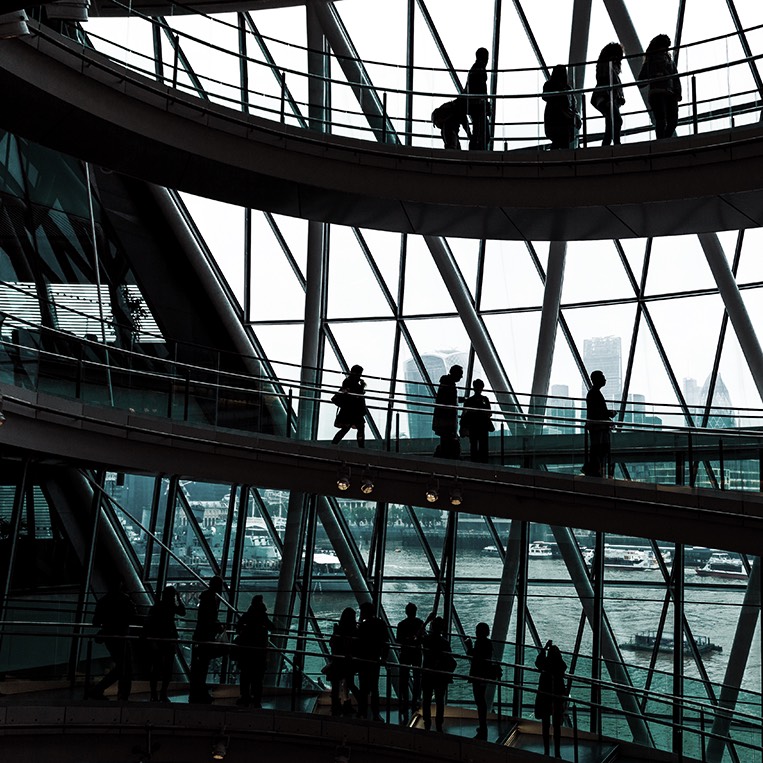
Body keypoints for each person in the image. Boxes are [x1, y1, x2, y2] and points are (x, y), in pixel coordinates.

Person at [89, 580, 137, 700]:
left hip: (110, 637)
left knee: (121, 666)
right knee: (126, 667)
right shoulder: (125, 599)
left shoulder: (103, 601)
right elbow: (133, 617)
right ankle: (122, 694)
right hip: (122, 637)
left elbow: (95, 621)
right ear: (120, 586)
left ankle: (99, 689)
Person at [144, 584, 185, 702]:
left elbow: (148, 623)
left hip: (158, 640)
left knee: (156, 668)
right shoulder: (171, 606)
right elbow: (182, 612)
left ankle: (153, 694)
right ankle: (163, 693)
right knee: (168, 669)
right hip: (169, 640)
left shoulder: (157, 606)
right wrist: (179, 599)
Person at [189, 575, 225, 703]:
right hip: (205, 638)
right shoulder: (211, 599)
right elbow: (208, 620)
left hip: (201, 637)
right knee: (202, 667)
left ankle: (196, 692)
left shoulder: (206, 598)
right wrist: (217, 626)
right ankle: (199, 693)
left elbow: (204, 619)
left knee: (200, 667)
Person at [638, 34, 682, 139]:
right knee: (668, 120)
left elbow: (641, 81)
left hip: (659, 93)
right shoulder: (668, 61)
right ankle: (663, 141)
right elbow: (675, 77)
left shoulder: (651, 61)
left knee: (664, 120)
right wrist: (678, 92)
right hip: (664, 93)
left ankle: (661, 141)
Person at [234, 594, 273, 707]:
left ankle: (245, 696)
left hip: (246, 651)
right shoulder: (262, 616)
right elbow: (272, 627)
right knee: (258, 678)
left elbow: (238, 627)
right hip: (259, 651)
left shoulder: (247, 614)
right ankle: (257, 699)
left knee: (245, 676)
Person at [420, 614, 454, 732]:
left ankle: (427, 721)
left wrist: (426, 621)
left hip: (428, 673)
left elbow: (418, 636)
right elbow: (450, 659)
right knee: (440, 700)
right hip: (440, 675)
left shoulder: (427, 640)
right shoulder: (444, 642)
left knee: (426, 699)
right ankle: (439, 722)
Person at [355, 601, 389, 721]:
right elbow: (386, 642)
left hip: (363, 659)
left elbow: (358, 643)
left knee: (364, 687)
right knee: (374, 688)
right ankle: (375, 713)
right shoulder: (381, 624)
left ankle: (362, 711)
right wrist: (383, 658)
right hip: (375, 660)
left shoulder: (363, 626)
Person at [534, 641, 569, 757]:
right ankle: (557, 752)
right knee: (557, 726)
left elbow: (538, 662)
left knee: (545, 724)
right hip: (556, 698)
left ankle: (546, 750)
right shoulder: (560, 667)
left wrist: (545, 647)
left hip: (545, 697)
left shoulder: (545, 666)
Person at [466, 621, 499, 741]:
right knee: (481, 700)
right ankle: (482, 726)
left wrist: (469, 647)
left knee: (479, 700)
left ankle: (483, 726)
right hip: (484, 674)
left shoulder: (480, 643)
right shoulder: (487, 643)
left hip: (478, 674)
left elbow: (475, 656)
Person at [582, 370, 615, 477]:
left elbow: (596, 411)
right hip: (598, 427)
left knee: (597, 449)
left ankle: (594, 469)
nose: (605, 379)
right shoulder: (594, 393)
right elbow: (598, 412)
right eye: (602, 377)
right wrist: (609, 414)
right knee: (598, 449)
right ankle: (594, 469)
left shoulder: (593, 393)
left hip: (596, 427)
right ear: (596, 379)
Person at [327, 607, 360, 716]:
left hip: (337, 660)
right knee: (348, 683)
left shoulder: (338, 629)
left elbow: (332, 643)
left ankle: (336, 706)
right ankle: (350, 703)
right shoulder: (354, 631)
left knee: (336, 685)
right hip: (348, 661)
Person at [592, 42, 625, 146]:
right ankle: (615, 144)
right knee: (616, 120)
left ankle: (608, 145)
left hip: (605, 98)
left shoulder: (605, 65)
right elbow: (606, 82)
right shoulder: (607, 66)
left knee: (611, 123)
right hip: (606, 97)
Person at [396, 602, 424, 723]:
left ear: (406, 612)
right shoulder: (420, 623)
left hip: (405, 653)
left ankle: (404, 702)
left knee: (404, 678)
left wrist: (407, 640)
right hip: (416, 653)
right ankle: (415, 702)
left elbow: (398, 640)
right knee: (417, 678)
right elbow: (423, 638)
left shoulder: (401, 624)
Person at [542, 65, 580, 150]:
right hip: (564, 121)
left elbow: (545, 97)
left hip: (555, 120)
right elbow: (573, 103)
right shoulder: (567, 88)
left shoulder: (550, 86)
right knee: (563, 141)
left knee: (558, 142)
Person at [331, 365, 367, 447]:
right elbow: (355, 394)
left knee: (346, 428)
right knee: (359, 427)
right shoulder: (353, 383)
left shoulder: (348, 381)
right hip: (353, 410)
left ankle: (333, 444)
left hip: (349, 410)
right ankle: (361, 447)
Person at [432, 364, 463, 459]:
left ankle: (444, 456)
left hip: (443, 420)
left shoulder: (445, 383)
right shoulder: (448, 384)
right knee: (447, 440)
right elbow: (448, 401)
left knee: (446, 440)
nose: (461, 376)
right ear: (455, 373)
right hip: (446, 421)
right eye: (460, 374)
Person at [460, 379, 494, 463]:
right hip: (482, 426)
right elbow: (489, 413)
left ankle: (474, 461)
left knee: (474, 445)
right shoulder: (485, 399)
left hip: (473, 426)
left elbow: (464, 414)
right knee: (483, 445)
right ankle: (484, 462)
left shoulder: (469, 401)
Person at [466, 47, 490, 150]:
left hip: (474, 106)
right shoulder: (480, 69)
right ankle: (478, 153)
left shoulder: (474, 69)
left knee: (478, 132)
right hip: (478, 106)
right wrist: (486, 104)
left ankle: (475, 152)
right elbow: (482, 89)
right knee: (482, 134)